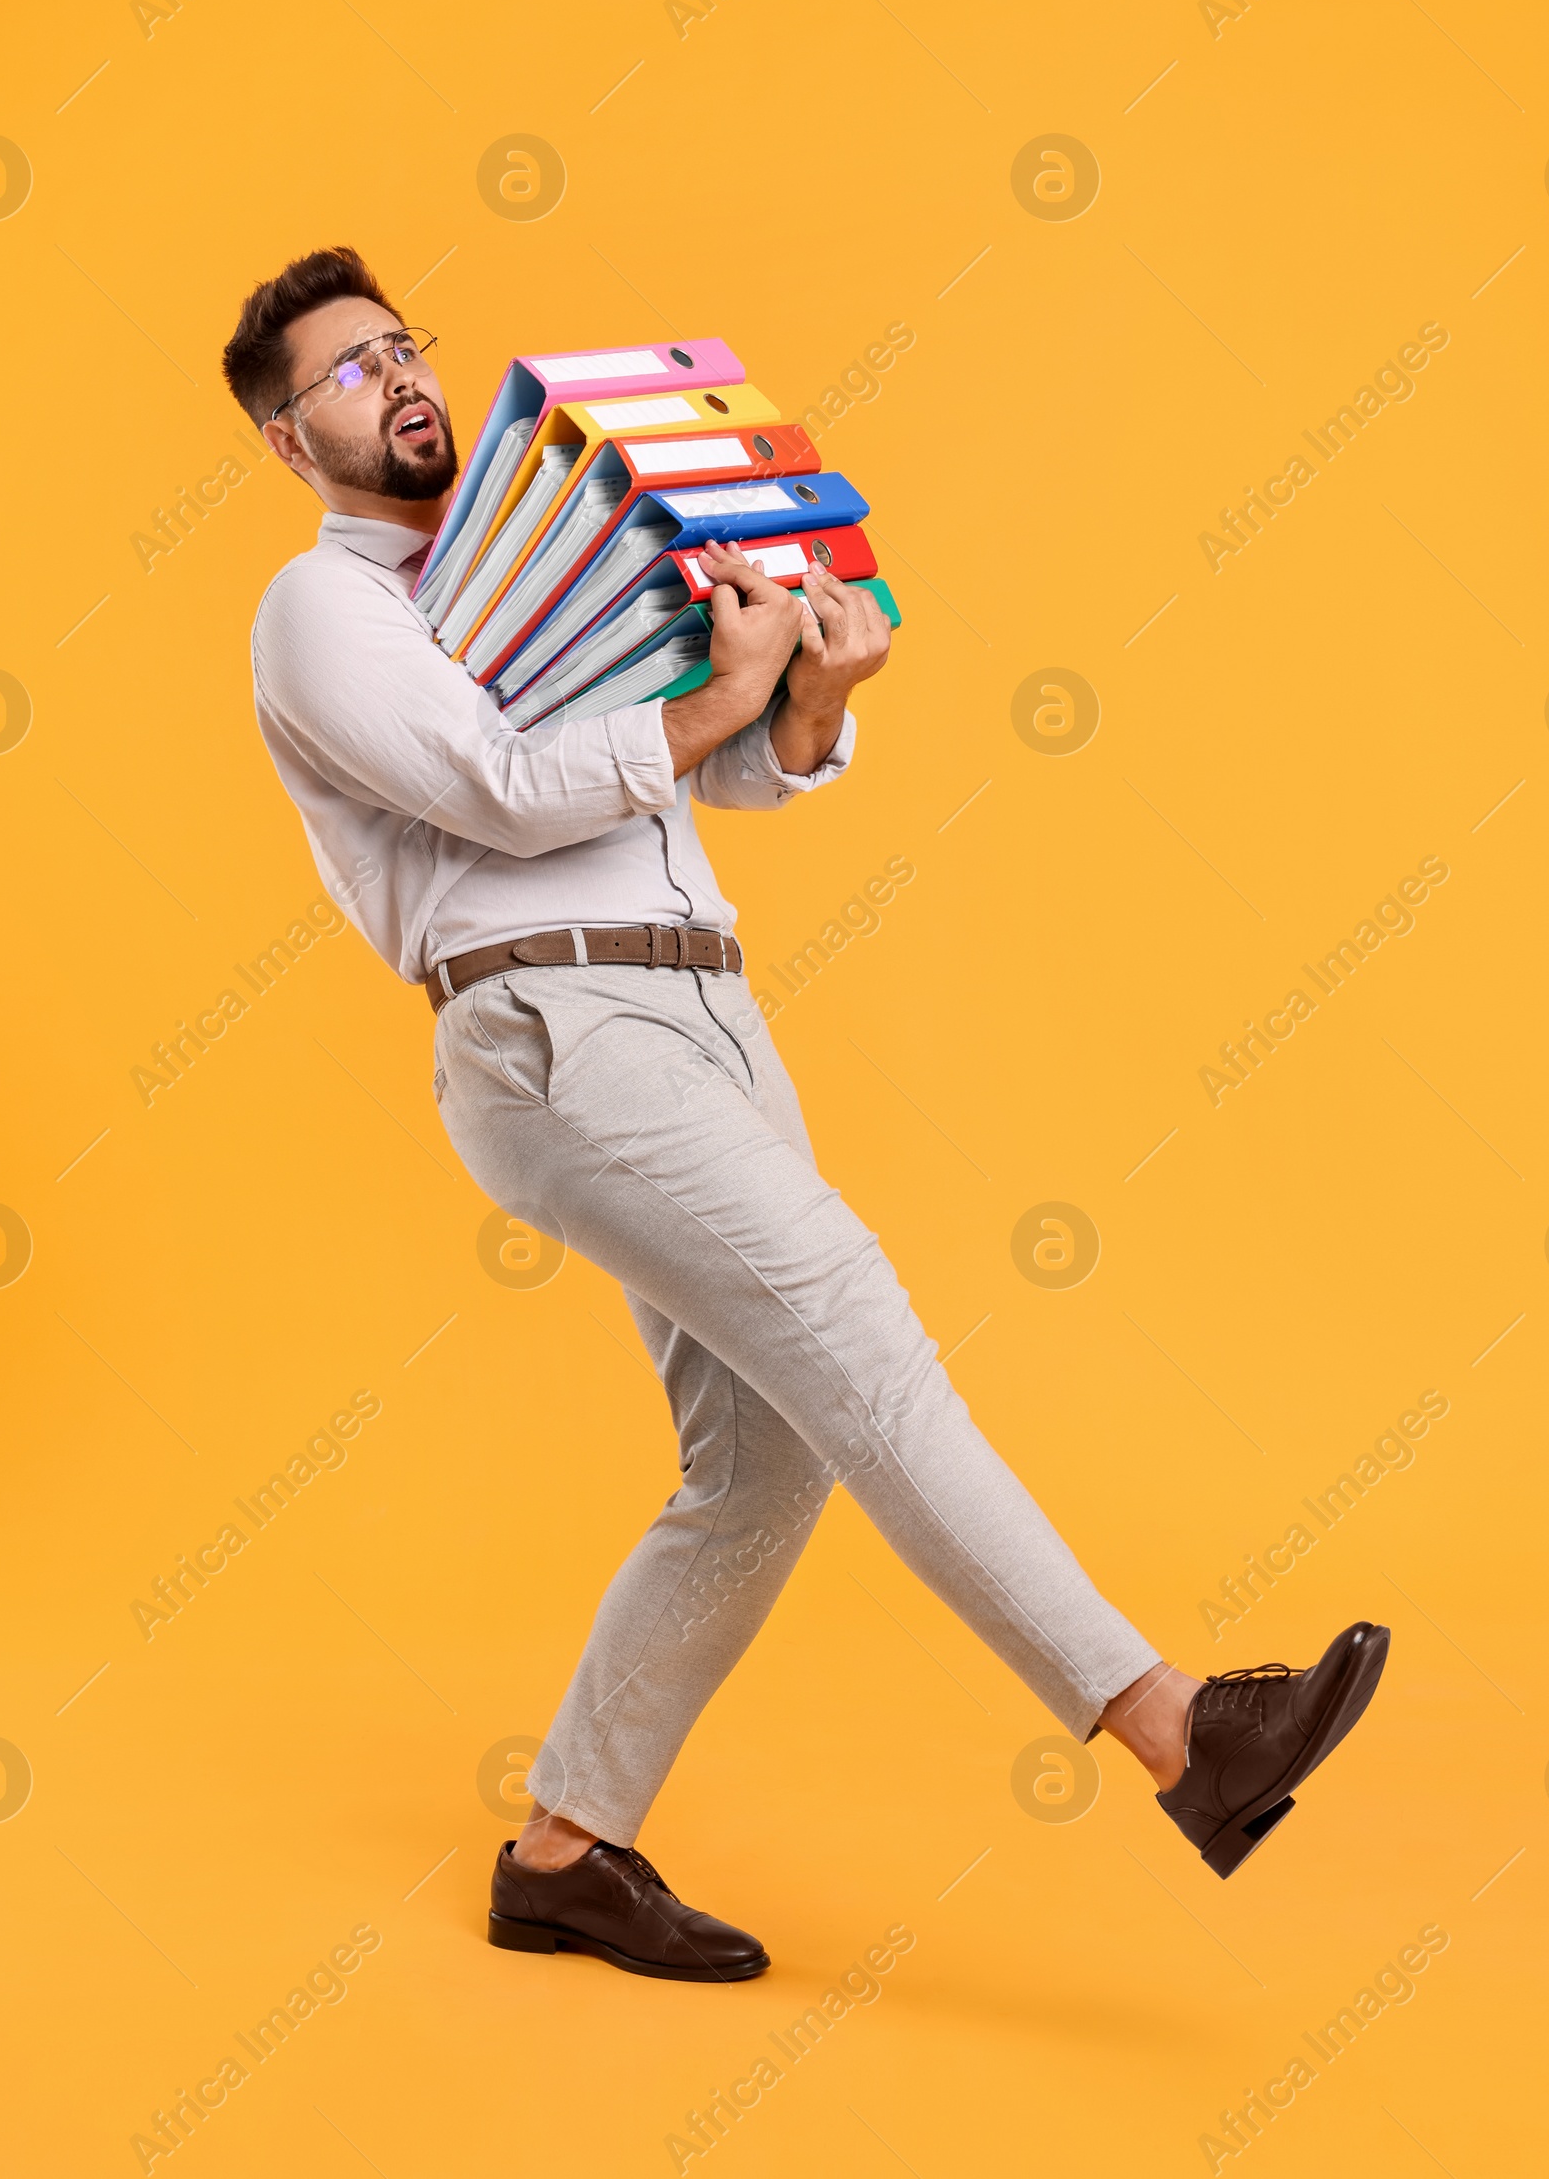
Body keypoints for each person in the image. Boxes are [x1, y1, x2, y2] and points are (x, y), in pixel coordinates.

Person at [225, 246, 1389, 1985]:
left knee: (761, 1458)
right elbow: (503, 793)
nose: (395, 379)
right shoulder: (330, 609)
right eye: (344, 371)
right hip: (554, 1021)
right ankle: (1176, 1733)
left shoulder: (518, 564)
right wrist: (710, 695)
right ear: (282, 435)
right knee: (858, 1324)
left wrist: (808, 695)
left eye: (402, 345)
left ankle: (564, 1852)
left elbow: (697, 771)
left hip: (699, 1003)